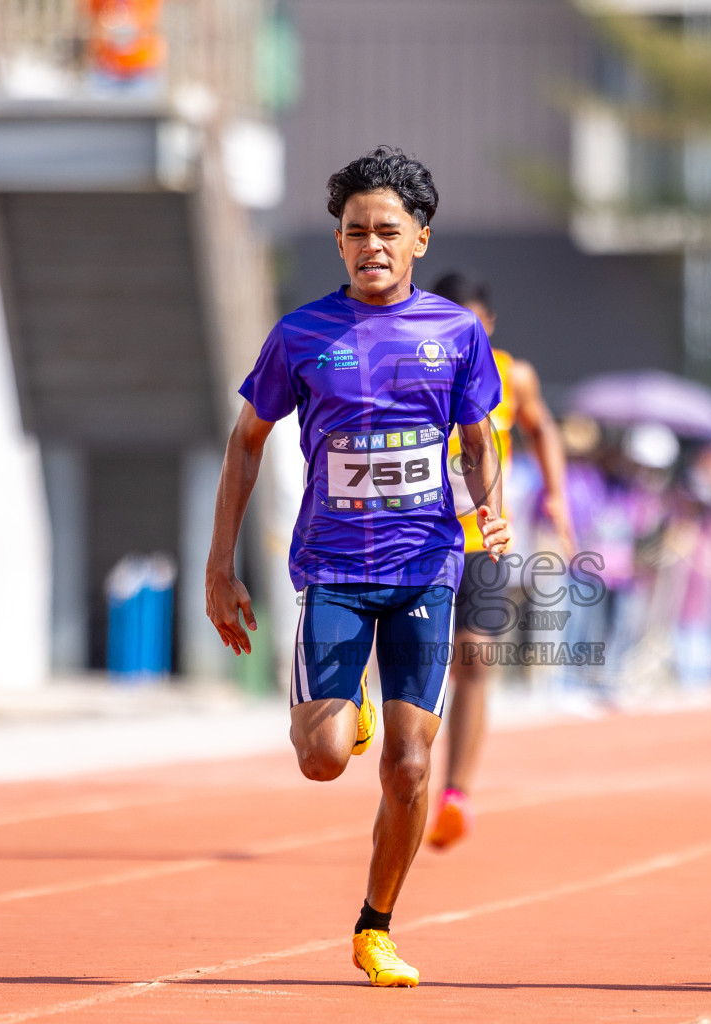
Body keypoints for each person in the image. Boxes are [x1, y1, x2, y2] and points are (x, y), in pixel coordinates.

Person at [204, 147, 509, 988]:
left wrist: (487, 502)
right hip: (334, 571)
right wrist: (218, 566)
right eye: (354, 232)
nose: (370, 244)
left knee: (411, 765)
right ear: (338, 243)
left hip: (426, 567)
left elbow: (478, 442)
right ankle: (348, 707)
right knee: (325, 758)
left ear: (419, 238)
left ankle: (375, 926)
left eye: (386, 230)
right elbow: (245, 446)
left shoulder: (456, 333)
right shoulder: (301, 336)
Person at [425, 272, 575, 850]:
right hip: (419, 540)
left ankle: (455, 793)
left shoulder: (514, 376)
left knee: (477, 661)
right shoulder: (415, 368)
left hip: (484, 542)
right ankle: (408, 775)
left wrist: (556, 493)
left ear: (488, 325)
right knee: (422, 663)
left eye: (473, 325)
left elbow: (544, 430)